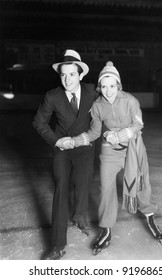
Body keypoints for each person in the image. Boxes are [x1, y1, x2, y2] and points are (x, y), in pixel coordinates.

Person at [66, 61, 162, 255]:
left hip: (133, 148)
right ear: (99, 87)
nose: (108, 90)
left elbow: (139, 125)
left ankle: (149, 216)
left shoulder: (130, 101)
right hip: (110, 151)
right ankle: (106, 229)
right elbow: (94, 132)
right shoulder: (97, 106)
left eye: (112, 86)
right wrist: (75, 140)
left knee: (141, 183)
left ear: (118, 85)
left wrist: (123, 133)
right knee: (106, 188)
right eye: (104, 86)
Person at [33, 49, 98, 260]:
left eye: (71, 74)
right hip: (62, 149)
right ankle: (58, 244)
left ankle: (79, 215)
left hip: (85, 149)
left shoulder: (92, 92)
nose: (67, 79)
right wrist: (55, 140)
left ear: (80, 75)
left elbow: (113, 99)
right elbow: (39, 122)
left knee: (83, 182)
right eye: (63, 74)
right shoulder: (52, 96)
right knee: (61, 188)